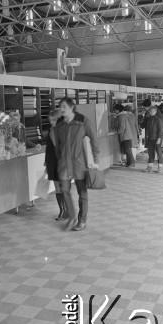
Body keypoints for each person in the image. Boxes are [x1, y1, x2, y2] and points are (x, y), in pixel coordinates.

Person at [55, 97, 99, 231]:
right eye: (60, 106)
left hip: (79, 163)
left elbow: (94, 140)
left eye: (64, 106)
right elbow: (58, 143)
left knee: (82, 192)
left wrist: (95, 160)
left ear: (71, 107)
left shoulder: (83, 121)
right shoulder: (60, 123)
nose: (61, 109)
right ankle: (72, 217)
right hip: (64, 164)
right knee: (64, 190)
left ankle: (82, 220)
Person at [45, 109, 66, 220]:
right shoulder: (52, 131)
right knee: (58, 188)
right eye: (51, 120)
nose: (52, 122)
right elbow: (49, 148)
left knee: (63, 187)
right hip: (53, 162)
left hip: (61, 163)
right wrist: (46, 163)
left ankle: (65, 210)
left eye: (54, 120)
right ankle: (62, 211)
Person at [142, 105, 163, 173]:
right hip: (150, 138)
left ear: (155, 111)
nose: (151, 112)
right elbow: (147, 128)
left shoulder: (158, 119)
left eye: (153, 111)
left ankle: (160, 167)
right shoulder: (149, 119)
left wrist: (159, 138)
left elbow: (161, 129)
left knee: (159, 153)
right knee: (150, 153)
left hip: (157, 138)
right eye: (150, 111)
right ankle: (150, 167)